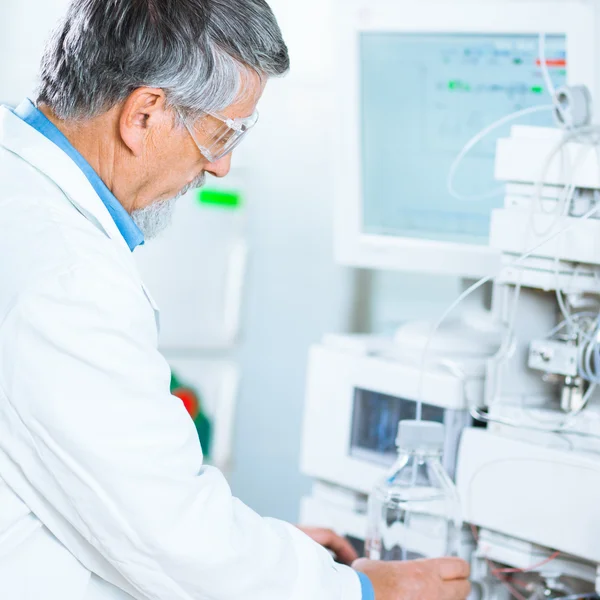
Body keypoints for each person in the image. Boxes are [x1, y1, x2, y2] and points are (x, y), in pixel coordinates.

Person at [0, 1, 472, 599]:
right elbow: (168, 539)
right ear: (143, 114)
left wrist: (271, 561)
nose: (221, 166)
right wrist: (363, 591)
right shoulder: (66, 281)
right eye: (222, 132)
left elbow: (125, 504)